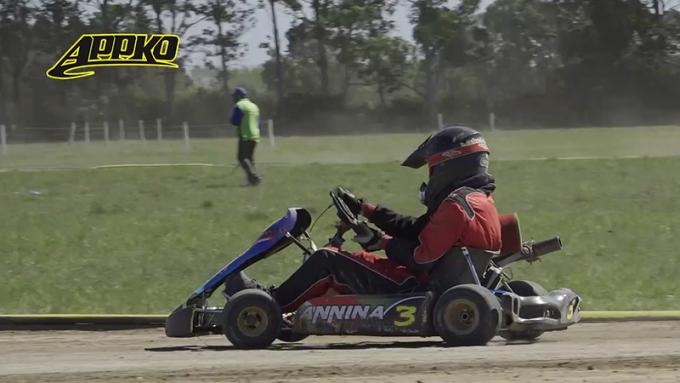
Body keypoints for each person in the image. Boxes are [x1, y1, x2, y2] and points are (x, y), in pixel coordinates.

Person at [225, 126, 502, 314]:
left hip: (417, 285)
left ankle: (267, 305)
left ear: (447, 166)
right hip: (437, 280)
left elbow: (421, 257)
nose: (430, 179)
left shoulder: (455, 205)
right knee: (337, 258)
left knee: (327, 259)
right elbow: (418, 230)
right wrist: (365, 208)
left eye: (432, 170)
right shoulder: (476, 202)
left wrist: (381, 242)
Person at [230, 87, 262, 186]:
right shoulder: (254, 106)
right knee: (249, 157)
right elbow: (258, 121)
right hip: (255, 135)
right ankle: (252, 181)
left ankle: (254, 176)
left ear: (238, 96)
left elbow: (234, 121)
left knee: (241, 157)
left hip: (245, 135)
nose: (233, 99)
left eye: (234, 97)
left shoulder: (239, 105)